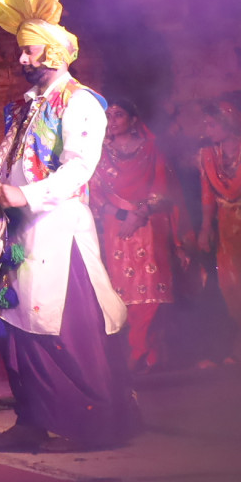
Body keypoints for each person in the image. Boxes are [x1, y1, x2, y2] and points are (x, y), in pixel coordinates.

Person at [0, 0, 136, 450]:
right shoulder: (27, 106)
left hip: (57, 233)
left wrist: (23, 197)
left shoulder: (81, 102)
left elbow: (78, 170)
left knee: (64, 327)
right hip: (21, 232)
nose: (21, 59)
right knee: (16, 327)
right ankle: (31, 420)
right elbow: (8, 162)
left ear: (52, 52)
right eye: (22, 50)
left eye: (28, 51)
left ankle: (93, 425)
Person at [89, 101, 177, 371]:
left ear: (134, 119)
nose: (112, 120)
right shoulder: (98, 153)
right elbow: (94, 193)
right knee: (121, 289)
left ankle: (148, 351)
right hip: (115, 227)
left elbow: (162, 185)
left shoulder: (151, 148)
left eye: (118, 115)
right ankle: (133, 351)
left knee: (151, 286)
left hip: (148, 224)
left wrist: (139, 214)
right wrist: (122, 215)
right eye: (108, 116)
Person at [197, 101, 241, 364]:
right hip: (225, 227)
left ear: (227, 123)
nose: (206, 128)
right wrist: (204, 228)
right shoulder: (207, 155)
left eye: (211, 124)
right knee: (230, 285)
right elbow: (207, 195)